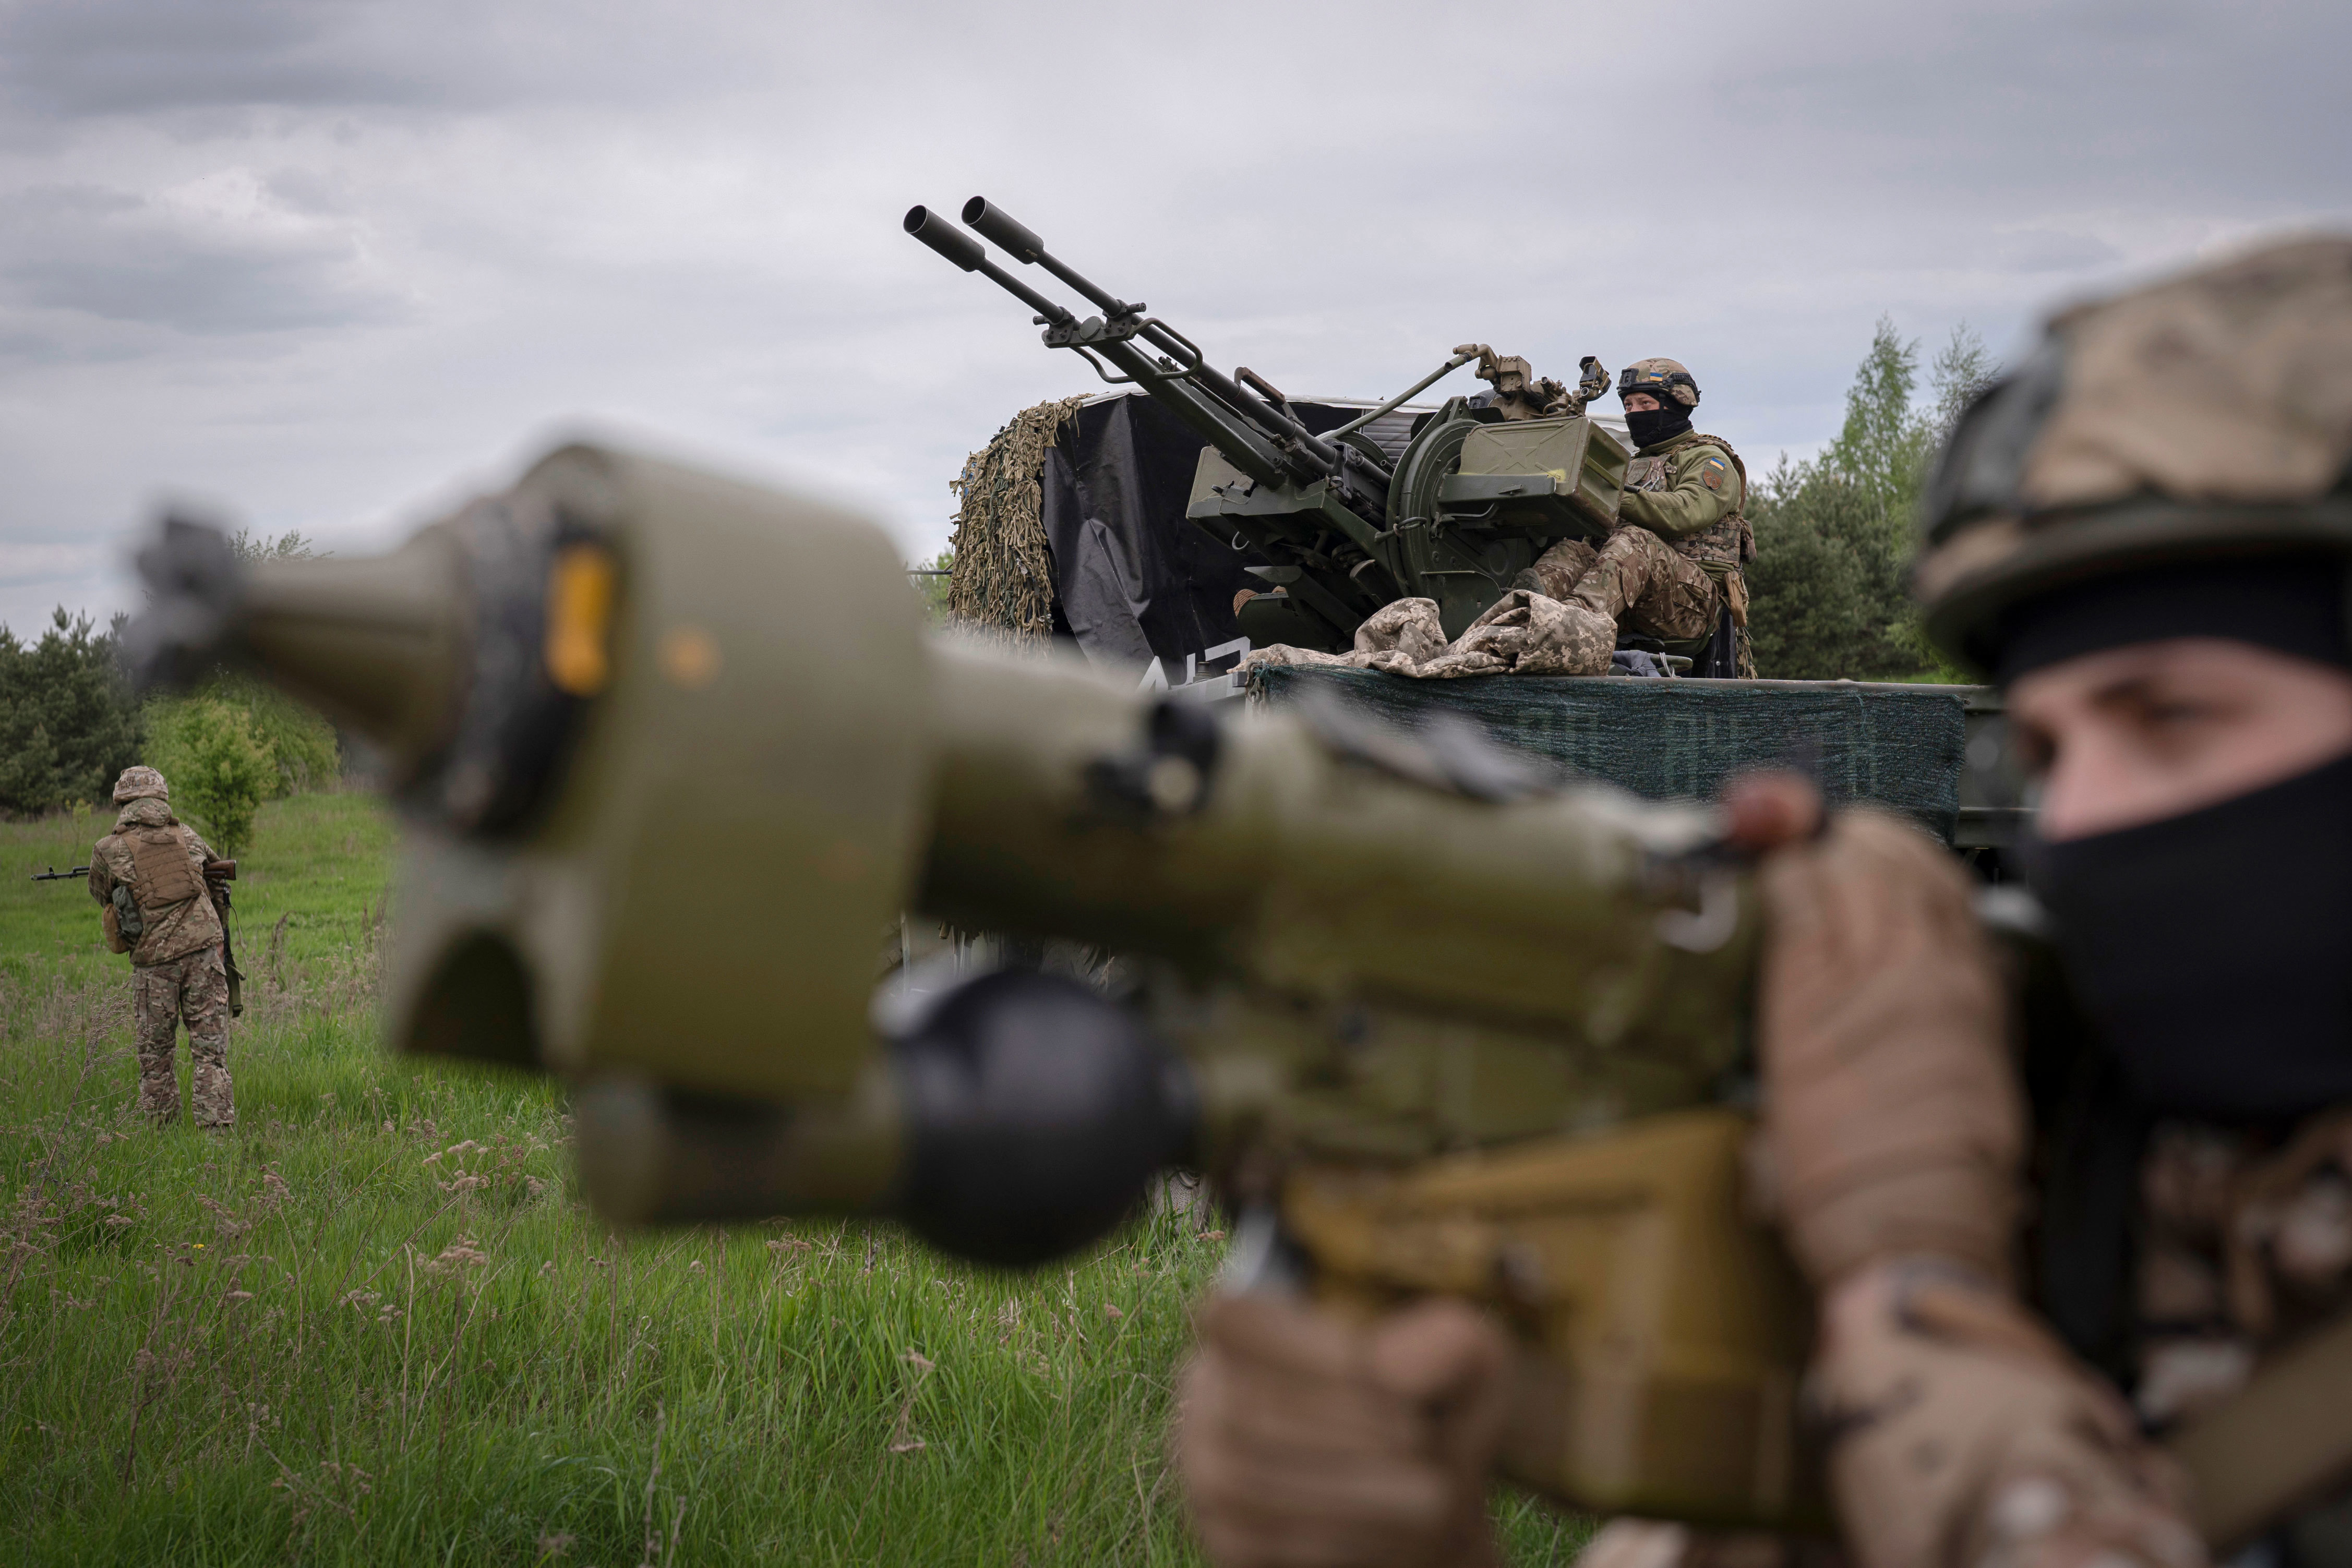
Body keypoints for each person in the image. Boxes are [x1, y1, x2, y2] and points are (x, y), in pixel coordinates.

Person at [1175, 235, 2352, 1568]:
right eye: (2052, 747)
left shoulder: (1708, 466)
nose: (2075, 821)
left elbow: (1667, 524)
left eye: (2176, 716)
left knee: (1603, 549)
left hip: (1678, 596)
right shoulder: (2116, 1204)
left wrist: (1904, 1291)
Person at [1513, 357, 1758, 678]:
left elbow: (1687, 510)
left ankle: (1566, 629)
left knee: (1636, 541)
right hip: (1631, 598)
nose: (1633, 413)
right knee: (1573, 551)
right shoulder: (1630, 464)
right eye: (1628, 405)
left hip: (1692, 608)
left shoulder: (1709, 459)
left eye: (1645, 403)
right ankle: (1519, 620)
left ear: (1677, 404)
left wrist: (1613, 496)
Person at [88, 765, 236, 1129]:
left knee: (156, 1056)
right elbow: (217, 881)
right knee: (210, 1053)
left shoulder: (108, 848)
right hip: (205, 952)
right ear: (161, 799)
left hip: (156, 963)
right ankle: (216, 1135)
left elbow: (101, 894)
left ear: (123, 802)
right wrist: (216, 934)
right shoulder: (187, 835)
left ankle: (162, 1133)